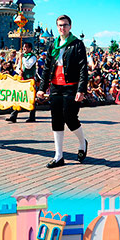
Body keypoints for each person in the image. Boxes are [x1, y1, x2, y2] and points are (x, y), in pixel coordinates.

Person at [36, 15, 88, 168]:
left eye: (65, 25)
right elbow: (47, 67)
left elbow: (83, 68)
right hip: (55, 86)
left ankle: (82, 142)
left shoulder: (77, 44)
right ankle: (59, 156)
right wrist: (42, 88)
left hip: (71, 86)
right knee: (56, 119)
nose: (62, 28)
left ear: (70, 26)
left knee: (70, 117)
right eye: (59, 25)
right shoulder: (53, 44)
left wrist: (81, 89)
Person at [7, 41, 37, 123]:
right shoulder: (23, 56)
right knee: (18, 96)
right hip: (22, 78)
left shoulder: (33, 57)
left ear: (30, 48)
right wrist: (18, 71)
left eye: (26, 47)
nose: (24, 48)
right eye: (24, 47)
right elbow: (19, 67)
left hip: (29, 79)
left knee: (31, 98)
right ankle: (13, 116)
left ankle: (32, 116)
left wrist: (22, 58)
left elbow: (28, 65)